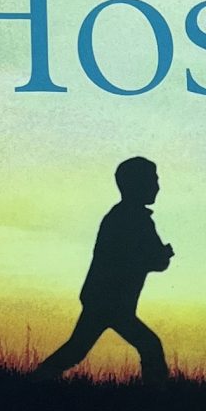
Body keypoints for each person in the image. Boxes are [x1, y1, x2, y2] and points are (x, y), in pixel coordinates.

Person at [36, 157, 173, 382]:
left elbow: (148, 260)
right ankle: (156, 394)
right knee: (149, 345)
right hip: (112, 301)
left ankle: (38, 378)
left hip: (105, 299)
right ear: (136, 185)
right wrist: (160, 256)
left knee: (76, 349)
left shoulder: (125, 217)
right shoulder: (132, 219)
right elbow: (139, 260)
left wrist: (157, 258)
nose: (157, 186)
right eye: (153, 180)